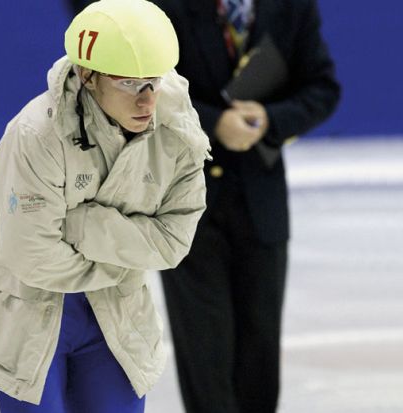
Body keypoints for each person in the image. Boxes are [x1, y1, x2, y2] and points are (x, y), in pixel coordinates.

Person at [0, 0, 210, 412]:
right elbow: (31, 256)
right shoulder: (36, 133)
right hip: (27, 310)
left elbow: (173, 241)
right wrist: (122, 259)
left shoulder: (178, 129)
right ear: (87, 75)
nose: (146, 101)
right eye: (128, 84)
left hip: (116, 314)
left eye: (153, 82)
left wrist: (81, 224)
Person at [146, 0, 341, 412]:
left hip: (261, 205)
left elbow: (323, 88)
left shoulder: (293, 7)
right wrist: (215, 122)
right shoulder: (164, 6)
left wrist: (270, 119)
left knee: (260, 357)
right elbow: (143, 86)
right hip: (186, 203)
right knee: (204, 358)